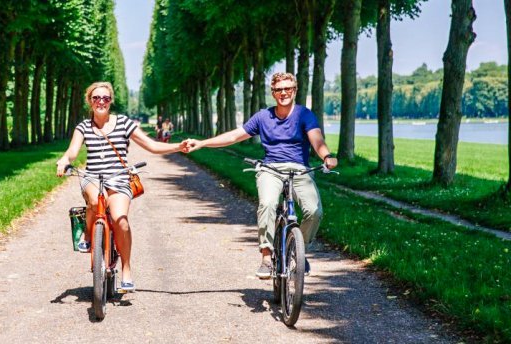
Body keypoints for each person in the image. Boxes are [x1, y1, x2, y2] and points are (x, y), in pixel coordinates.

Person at [185, 72, 338, 279]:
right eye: (279, 89)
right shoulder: (263, 116)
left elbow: (317, 141)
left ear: (295, 90)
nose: (283, 93)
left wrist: (327, 156)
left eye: (288, 88)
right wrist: (202, 143)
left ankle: (298, 252)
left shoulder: (304, 114)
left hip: (299, 168)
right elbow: (234, 136)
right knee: (267, 204)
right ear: (273, 92)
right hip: (271, 169)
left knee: (314, 210)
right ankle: (267, 256)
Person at [56, 82, 188, 291]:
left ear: (111, 101)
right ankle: (89, 235)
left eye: (105, 98)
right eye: (96, 98)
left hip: (118, 177)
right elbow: (72, 151)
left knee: (121, 220)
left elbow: (151, 145)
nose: (101, 101)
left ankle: (126, 268)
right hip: (93, 176)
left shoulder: (124, 123)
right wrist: (64, 160)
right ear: (90, 101)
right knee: (94, 200)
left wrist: (177, 147)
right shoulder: (83, 127)